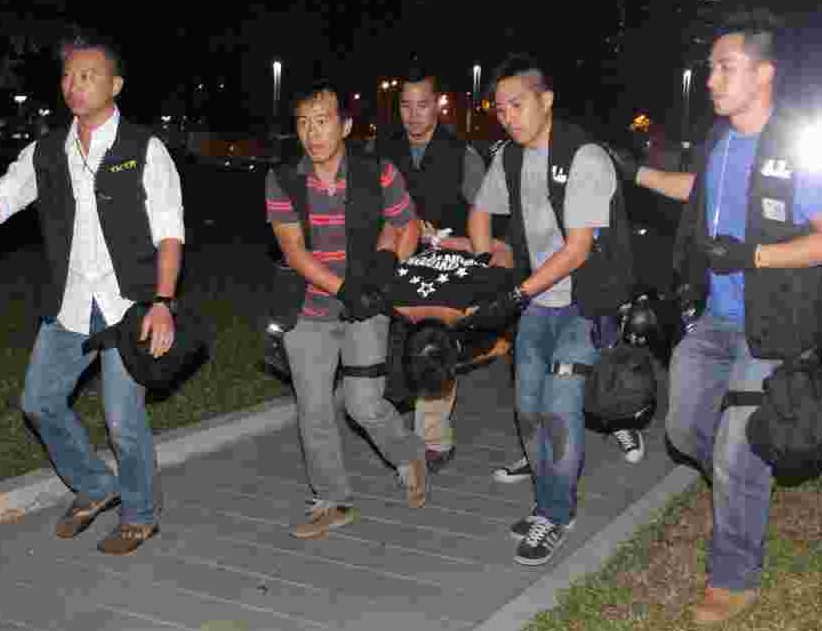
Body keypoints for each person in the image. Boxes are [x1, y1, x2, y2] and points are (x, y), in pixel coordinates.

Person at [0, 34, 185, 555]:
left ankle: (139, 512)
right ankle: (94, 485)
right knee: (39, 402)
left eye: (87, 75)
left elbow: (169, 231)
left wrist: (163, 302)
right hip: (69, 303)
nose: (74, 85)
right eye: (68, 76)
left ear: (115, 85)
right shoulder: (46, 153)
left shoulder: (144, 150)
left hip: (129, 305)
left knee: (122, 419)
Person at [619, 9, 822, 623]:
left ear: (764, 74)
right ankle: (744, 486)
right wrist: (635, 173)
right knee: (681, 428)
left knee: (735, 446)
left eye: (725, 67)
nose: (712, 79)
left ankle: (735, 576)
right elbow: (697, 191)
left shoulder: (795, 146)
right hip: (714, 318)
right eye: (709, 68)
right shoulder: (721, 143)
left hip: (770, 325)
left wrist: (755, 254)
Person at [467, 53, 634, 565]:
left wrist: (514, 294)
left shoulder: (584, 156)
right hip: (538, 302)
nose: (508, 116)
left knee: (560, 404)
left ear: (547, 100)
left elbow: (578, 249)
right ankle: (549, 502)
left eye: (517, 104)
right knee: (527, 406)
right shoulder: (509, 157)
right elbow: (480, 212)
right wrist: (485, 266)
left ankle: (555, 514)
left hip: (586, 301)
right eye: (500, 108)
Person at [265, 80, 428, 540]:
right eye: (303, 124)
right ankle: (333, 500)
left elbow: (406, 223)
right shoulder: (283, 179)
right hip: (310, 310)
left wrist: (388, 266)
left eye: (322, 122)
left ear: (345, 126)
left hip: (366, 307)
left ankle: (407, 453)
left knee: (363, 404)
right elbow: (295, 253)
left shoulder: (376, 171)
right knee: (313, 410)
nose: (312, 133)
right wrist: (344, 288)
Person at [374, 66, 502, 473]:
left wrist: (460, 246)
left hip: (445, 266)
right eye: (406, 106)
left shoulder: (461, 155)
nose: (414, 114)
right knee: (396, 345)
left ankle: (433, 440)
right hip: (396, 259)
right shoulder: (382, 149)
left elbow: (486, 214)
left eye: (423, 105)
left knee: (431, 343)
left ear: (438, 106)